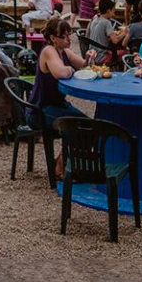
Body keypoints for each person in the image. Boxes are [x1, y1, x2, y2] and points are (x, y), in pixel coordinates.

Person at [28, 15, 86, 177]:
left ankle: (62, 163)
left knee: (89, 125)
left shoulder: (63, 51)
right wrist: (71, 70)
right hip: (41, 109)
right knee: (80, 127)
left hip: (57, 104)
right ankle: (61, 168)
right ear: (53, 38)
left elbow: (83, 64)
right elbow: (60, 72)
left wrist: (89, 58)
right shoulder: (48, 51)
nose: (68, 39)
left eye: (69, 34)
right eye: (64, 36)